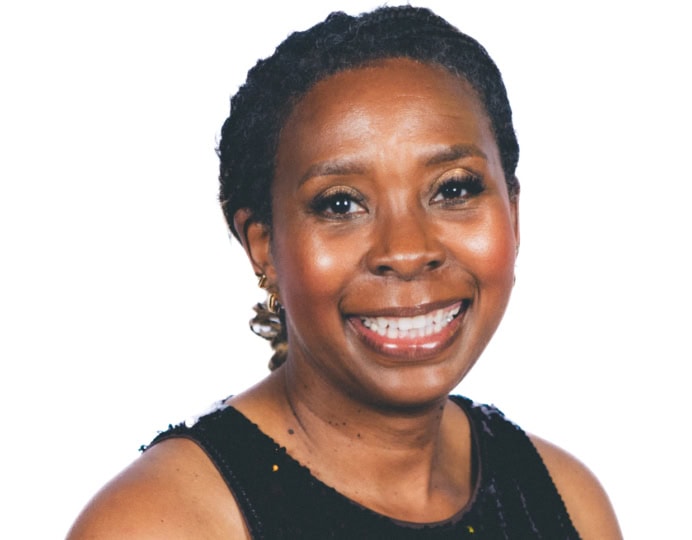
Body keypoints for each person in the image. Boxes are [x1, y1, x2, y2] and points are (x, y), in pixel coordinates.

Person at [68, 6, 622, 539]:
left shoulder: (568, 504)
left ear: (514, 214)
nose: (407, 252)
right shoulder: (160, 525)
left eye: (454, 189)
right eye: (340, 204)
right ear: (263, 247)